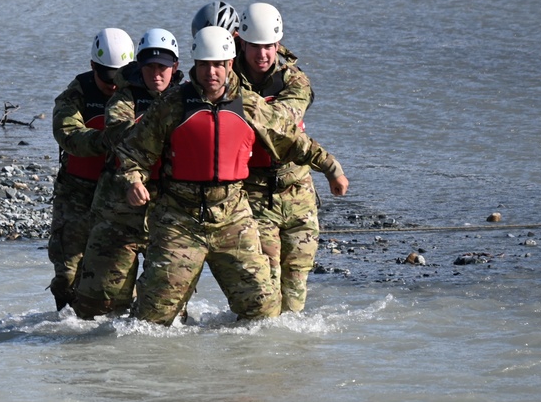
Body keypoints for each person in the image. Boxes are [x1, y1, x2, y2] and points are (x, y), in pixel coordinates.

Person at [116, 26, 348, 326]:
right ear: (195, 65)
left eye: (217, 65)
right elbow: (133, 151)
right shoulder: (171, 105)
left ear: (229, 64)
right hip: (179, 219)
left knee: (265, 315)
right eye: (204, 65)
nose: (211, 72)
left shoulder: (249, 105)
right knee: (150, 322)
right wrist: (133, 180)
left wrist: (332, 169)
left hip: (234, 218)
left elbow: (293, 141)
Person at [235, 2, 349, 313]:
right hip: (254, 192)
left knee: (295, 295)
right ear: (242, 43)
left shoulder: (295, 81)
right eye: (256, 47)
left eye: (270, 47)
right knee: (265, 293)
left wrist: (239, 103)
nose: (263, 55)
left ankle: (290, 356)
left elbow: (281, 125)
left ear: (278, 45)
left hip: (298, 191)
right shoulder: (225, 78)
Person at [72, 28, 183, 320]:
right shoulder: (124, 99)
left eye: (162, 67)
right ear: (139, 67)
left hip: (169, 215)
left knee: (167, 312)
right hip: (118, 214)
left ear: (175, 67)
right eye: (149, 67)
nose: (156, 74)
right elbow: (121, 133)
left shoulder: (188, 99)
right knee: (98, 310)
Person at [48, 28, 134, 311]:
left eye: (120, 77)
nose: (113, 85)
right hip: (78, 192)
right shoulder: (77, 94)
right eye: (108, 77)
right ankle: (65, 327)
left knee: (116, 271)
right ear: (93, 67)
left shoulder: (137, 92)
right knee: (68, 274)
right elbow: (68, 134)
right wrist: (105, 140)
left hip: (121, 193)